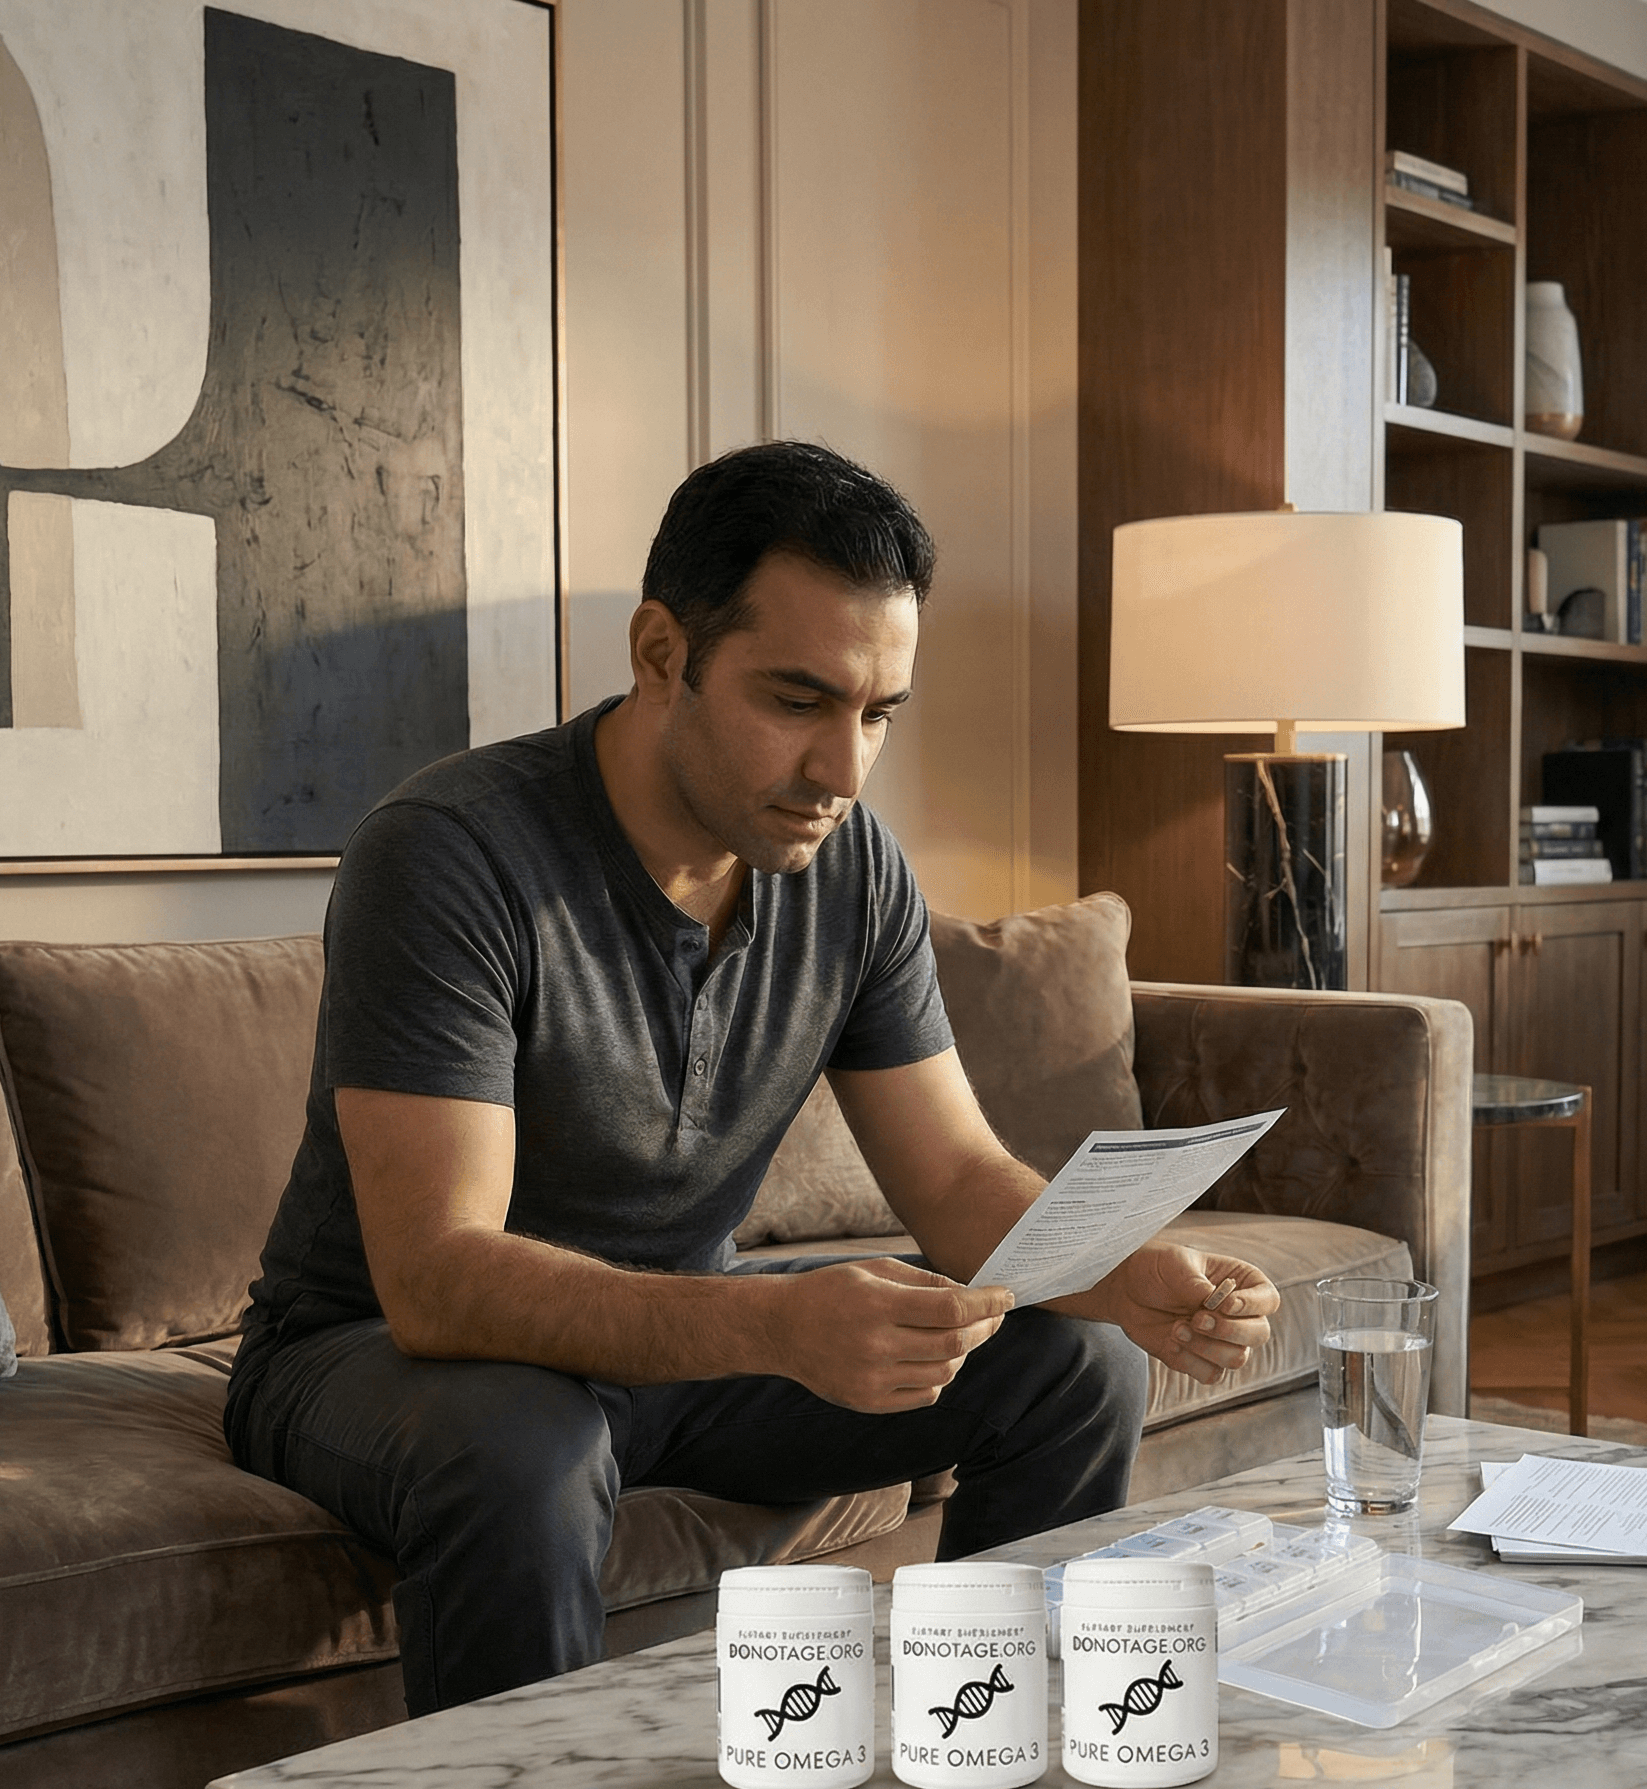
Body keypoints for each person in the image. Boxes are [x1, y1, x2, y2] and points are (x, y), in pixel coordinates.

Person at [225, 441, 1279, 1715]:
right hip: (381, 1354)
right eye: (796, 700)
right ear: (661, 652)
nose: (842, 770)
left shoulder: (852, 869)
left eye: (876, 713)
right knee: (522, 1445)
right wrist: (774, 1325)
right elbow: (439, 1277)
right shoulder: (450, 854)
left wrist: (1123, 1269)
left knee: (1072, 1364)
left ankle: (987, 1745)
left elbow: (950, 1176)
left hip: (678, 1341)